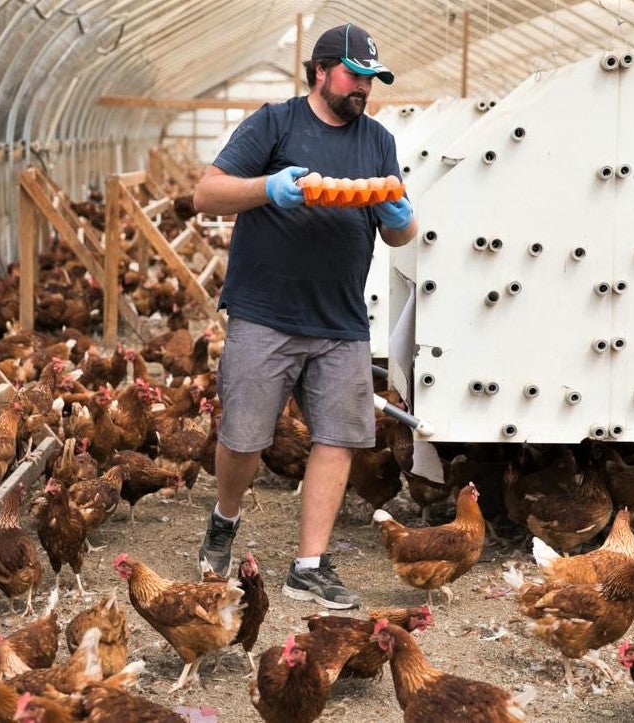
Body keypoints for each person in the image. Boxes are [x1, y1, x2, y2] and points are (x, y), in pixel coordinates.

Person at [191, 22, 418, 610]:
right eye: (355, 74)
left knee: (338, 439)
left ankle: (309, 565)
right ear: (320, 71)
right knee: (243, 437)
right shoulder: (276, 122)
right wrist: (268, 188)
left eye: (373, 78)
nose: (365, 86)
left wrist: (400, 217)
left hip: (340, 319)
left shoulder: (378, 141)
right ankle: (225, 516)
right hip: (265, 312)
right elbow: (206, 195)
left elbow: (400, 236)